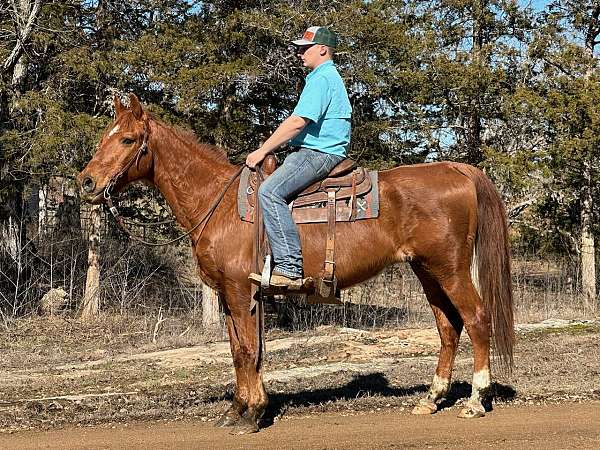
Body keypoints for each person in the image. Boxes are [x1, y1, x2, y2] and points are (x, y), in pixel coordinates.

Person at [246, 26, 352, 288]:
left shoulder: (322, 78)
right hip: (321, 150)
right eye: (299, 48)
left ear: (323, 49)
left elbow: (297, 122)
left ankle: (290, 267)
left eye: (305, 48)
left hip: (318, 152)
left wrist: (263, 150)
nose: (299, 53)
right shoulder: (325, 77)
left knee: (269, 192)